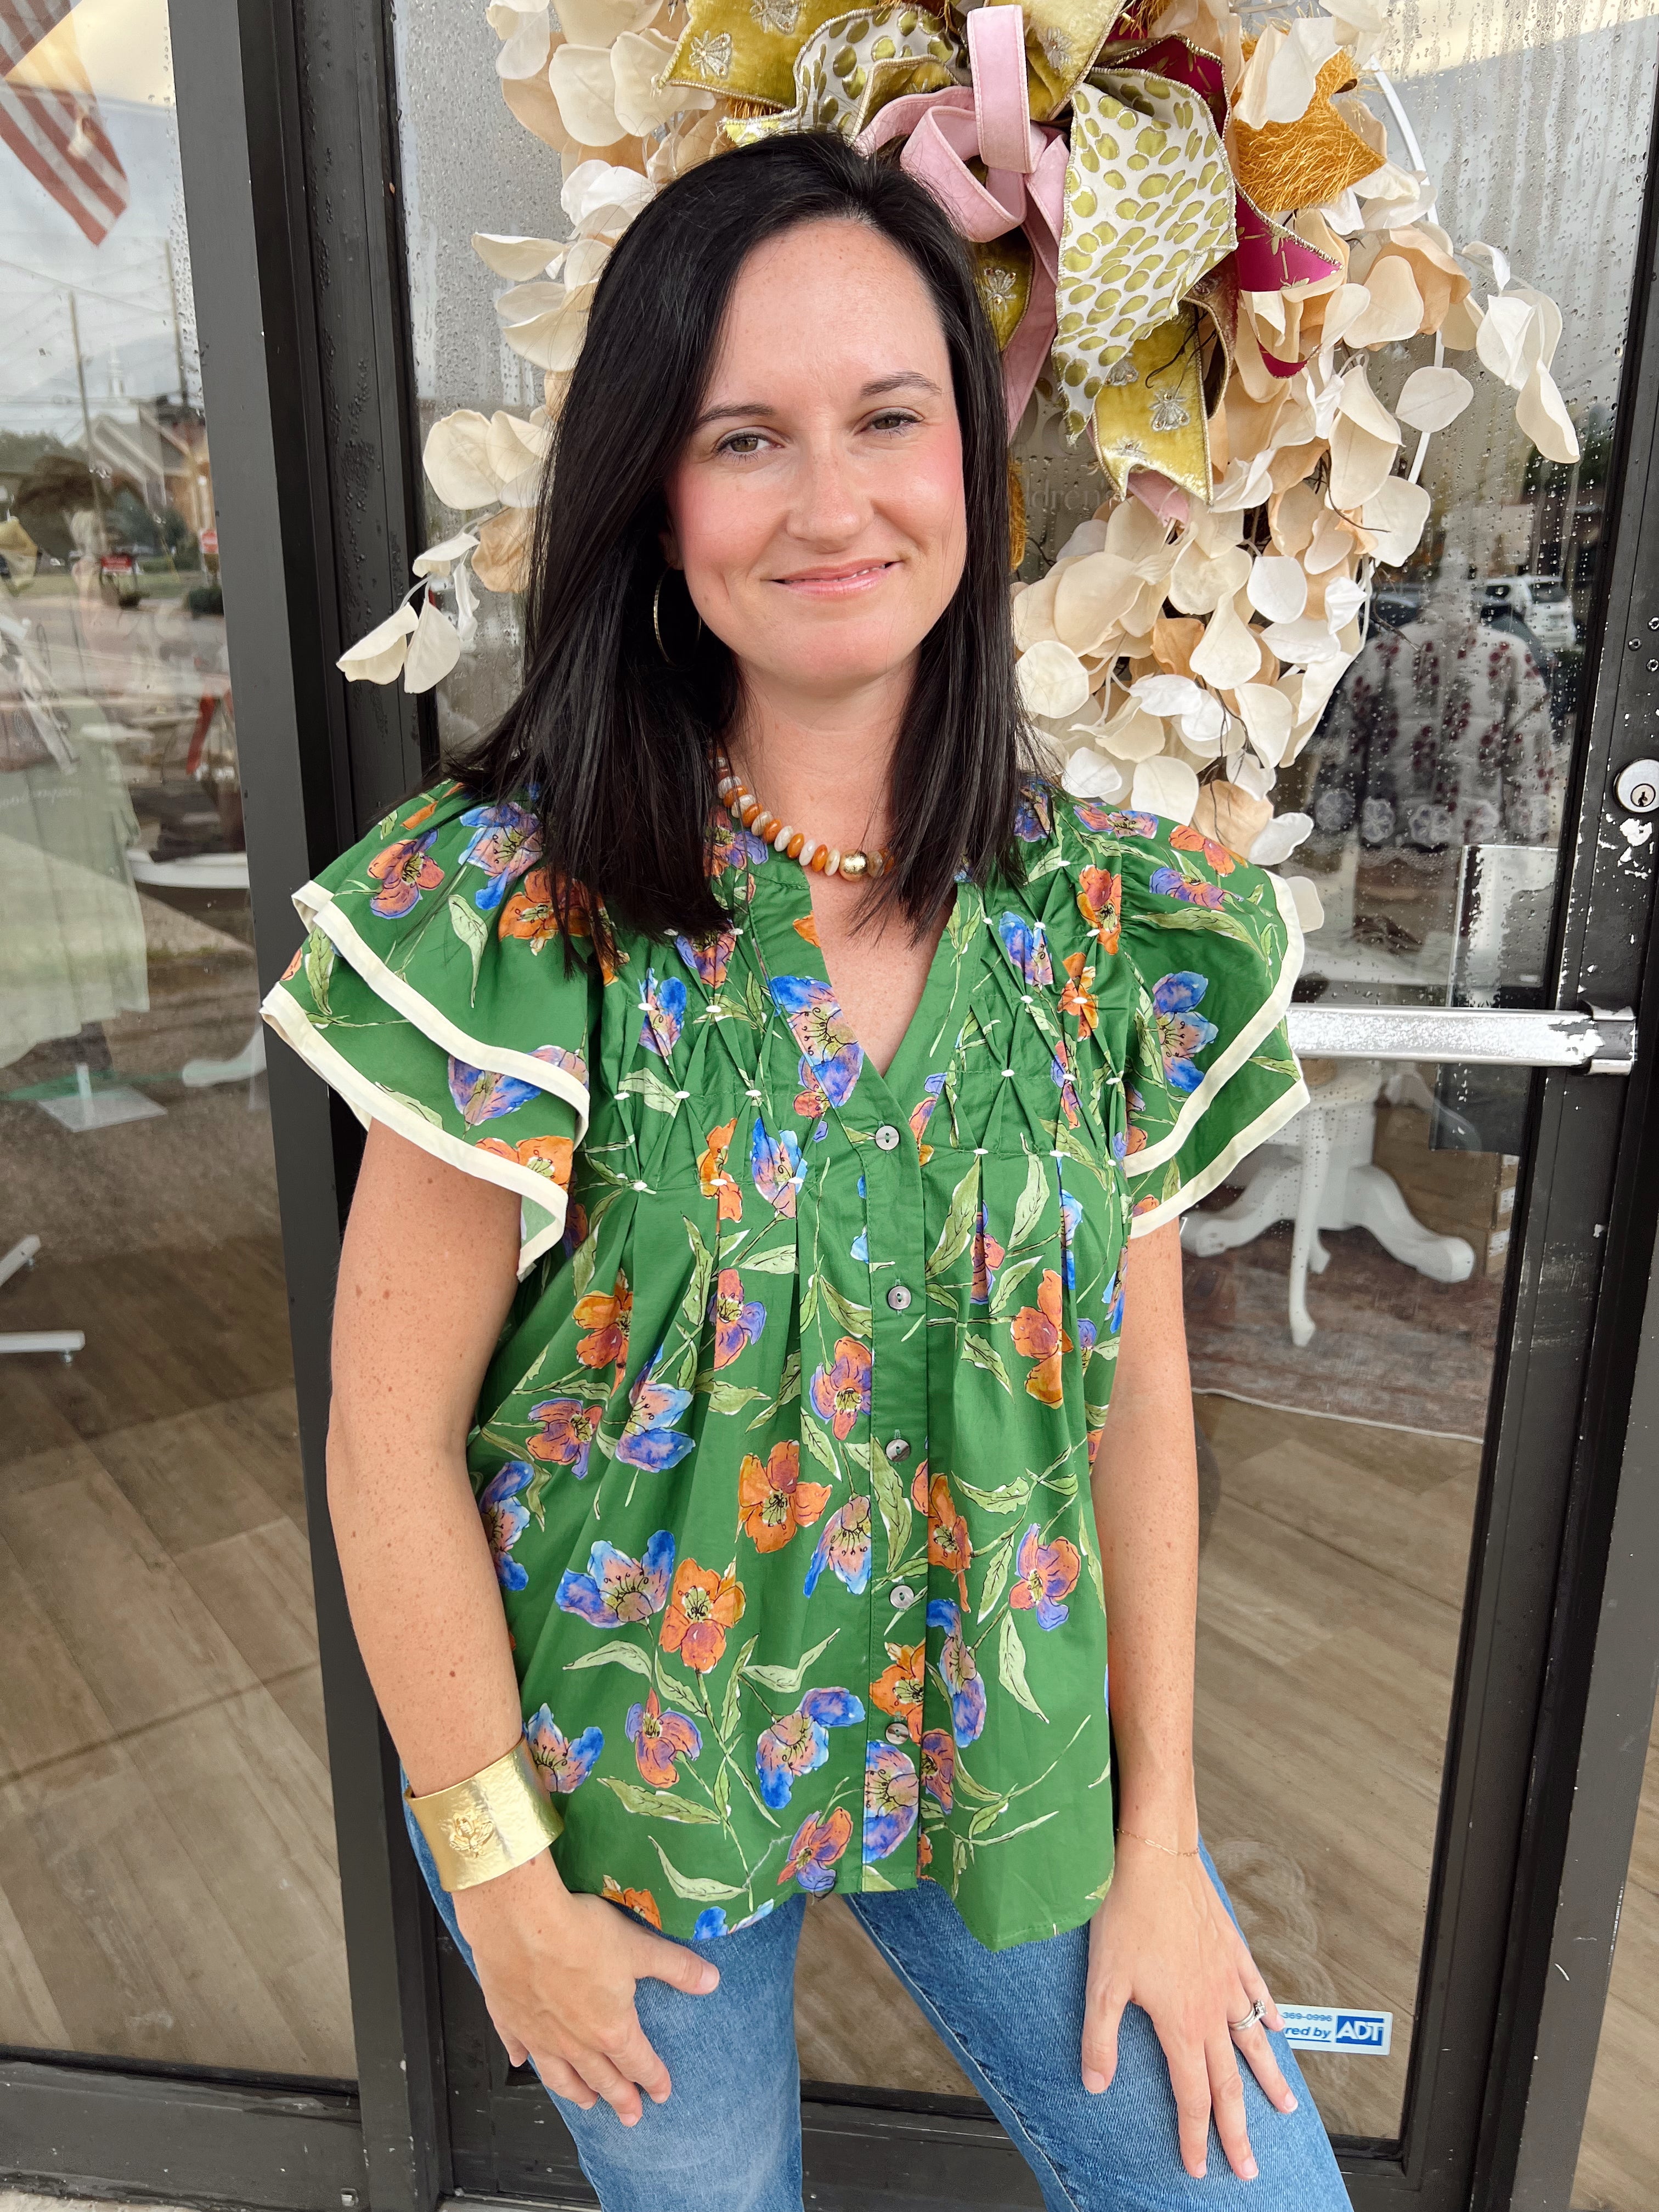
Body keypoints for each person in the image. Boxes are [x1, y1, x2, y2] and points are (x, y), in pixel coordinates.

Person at [262, 133, 1347, 2212]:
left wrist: (1164, 1842)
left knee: (1251, 2196)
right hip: (615, 1784)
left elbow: (1136, 1400)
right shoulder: (527, 918)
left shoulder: (1111, 927)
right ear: (657, 502)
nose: (831, 503)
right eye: (744, 437)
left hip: (1004, 1727)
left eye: (888, 419)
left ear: (977, 467)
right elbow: (384, 1438)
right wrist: (500, 1888)